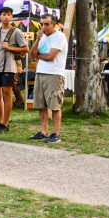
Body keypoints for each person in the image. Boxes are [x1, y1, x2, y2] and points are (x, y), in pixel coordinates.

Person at [0, 7, 29, 133]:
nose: (6, 17)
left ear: (11, 17)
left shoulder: (16, 32)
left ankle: (5, 123)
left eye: (9, 15)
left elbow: (26, 49)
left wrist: (10, 47)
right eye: (4, 14)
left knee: (7, 94)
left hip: (9, 66)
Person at [29, 14, 68, 144]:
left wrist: (38, 56)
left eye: (46, 24)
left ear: (54, 24)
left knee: (54, 105)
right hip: (41, 72)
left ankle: (56, 133)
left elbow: (51, 56)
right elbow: (32, 55)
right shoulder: (42, 37)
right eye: (42, 24)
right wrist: (37, 40)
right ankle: (43, 132)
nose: (43, 27)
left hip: (54, 74)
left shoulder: (59, 37)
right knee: (41, 105)